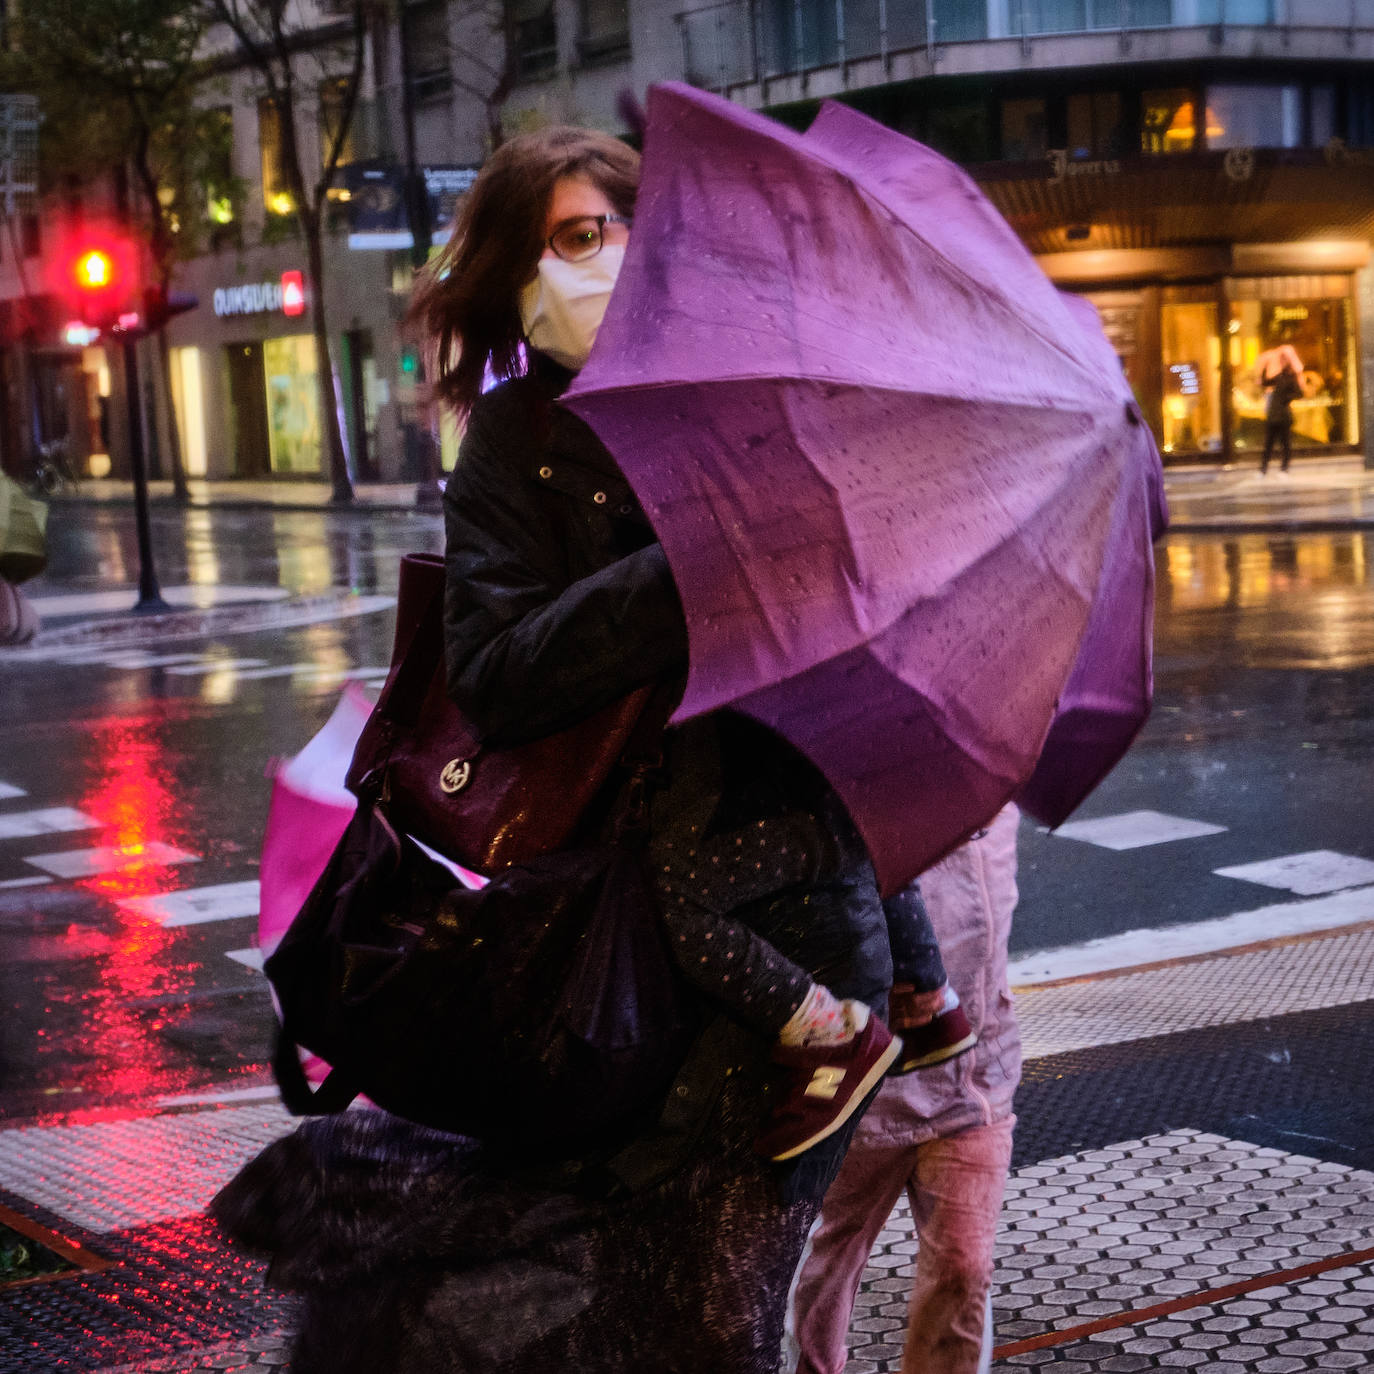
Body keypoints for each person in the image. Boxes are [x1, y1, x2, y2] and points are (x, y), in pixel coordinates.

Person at [211, 126, 955, 1373]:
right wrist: (683, 578)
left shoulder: (742, 396)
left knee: (717, 1311)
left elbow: (851, 663)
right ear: (512, 279)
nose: (595, 259)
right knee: (638, 1307)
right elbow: (496, 677)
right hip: (621, 941)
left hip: (807, 921)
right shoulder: (512, 442)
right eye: (562, 239)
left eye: (612, 227)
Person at [787, 804, 1022, 1374]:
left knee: (965, 1270)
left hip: (974, 1081)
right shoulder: (857, 807)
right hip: (869, 1088)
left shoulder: (998, 805)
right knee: (828, 1261)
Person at [1260, 360, 1302, 476]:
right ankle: (1264, 469)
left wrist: (1286, 399)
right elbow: (1265, 382)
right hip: (1274, 416)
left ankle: (1283, 469)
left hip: (1283, 416)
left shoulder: (1291, 380)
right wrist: (1264, 369)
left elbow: (1299, 393)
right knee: (1269, 443)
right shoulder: (1279, 377)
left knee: (1284, 444)